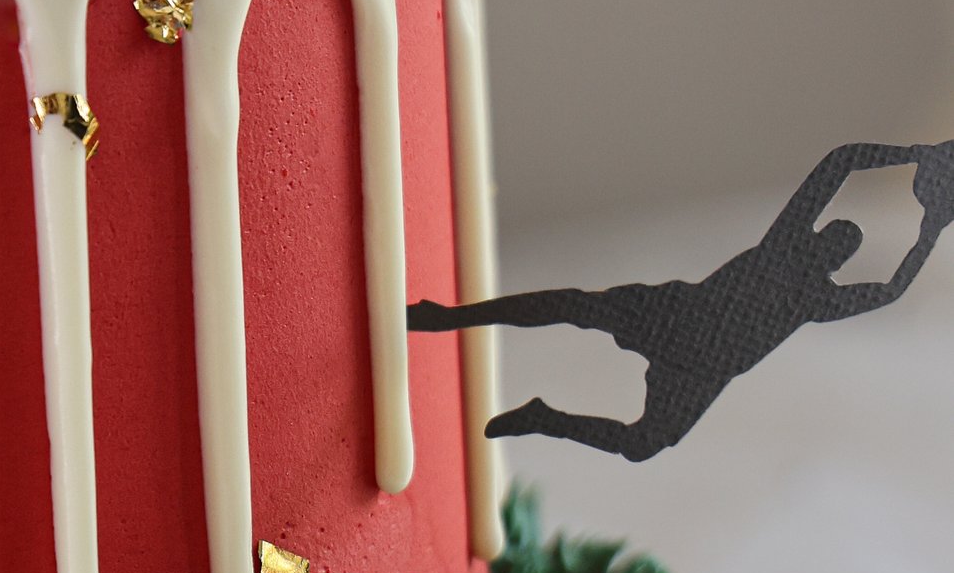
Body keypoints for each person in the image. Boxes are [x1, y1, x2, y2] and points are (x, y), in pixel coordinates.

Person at [408, 141, 954, 459]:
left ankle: (543, 418)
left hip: (701, 370)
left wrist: (932, 225)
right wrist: (911, 154)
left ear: (838, 263)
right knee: (573, 305)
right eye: (835, 236)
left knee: (647, 443)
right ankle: (450, 315)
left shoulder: (817, 299)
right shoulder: (783, 243)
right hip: (672, 315)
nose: (834, 248)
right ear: (820, 235)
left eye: (843, 249)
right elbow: (839, 161)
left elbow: (890, 291)